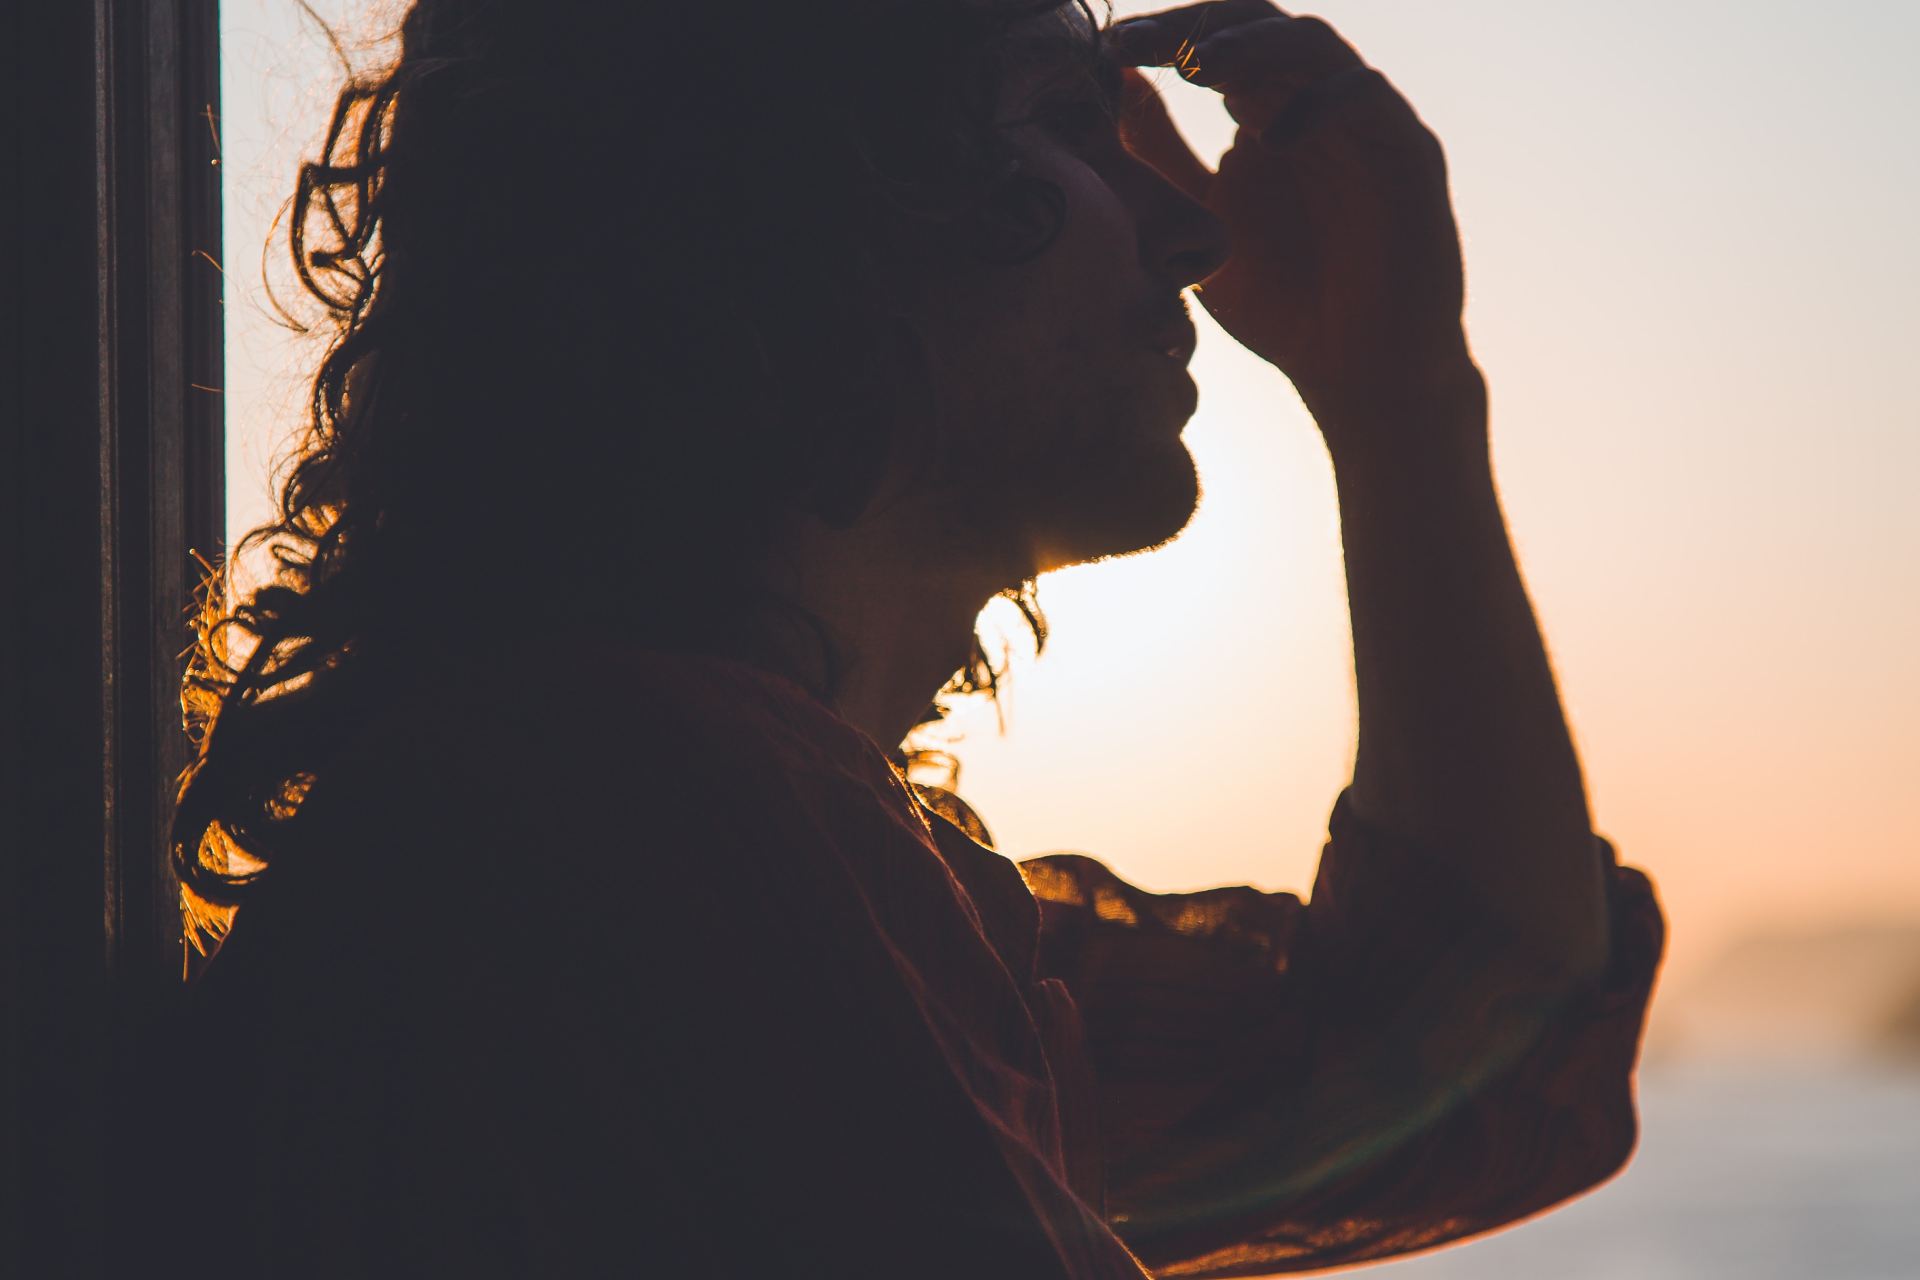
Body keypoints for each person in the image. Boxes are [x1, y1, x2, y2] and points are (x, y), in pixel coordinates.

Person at [137, 1, 1664, 1275]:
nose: (1192, 226)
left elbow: (1472, 1059)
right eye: (1070, 129)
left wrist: (1398, 386)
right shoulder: (645, 826)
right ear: (801, 199)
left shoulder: (741, 840)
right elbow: (1473, 1049)